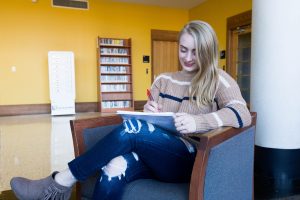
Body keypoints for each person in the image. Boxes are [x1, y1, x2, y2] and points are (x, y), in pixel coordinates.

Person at [10, 20, 251, 200]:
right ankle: (60, 185)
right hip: (151, 155)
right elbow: (152, 120)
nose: (187, 58)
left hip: (186, 159)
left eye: (196, 51)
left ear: (208, 50)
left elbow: (242, 113)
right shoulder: (163, 80)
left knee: (133, 128)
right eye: (183, 49)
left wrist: (200, 122)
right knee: (114, 166)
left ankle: (60, 182)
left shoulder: (218, 79)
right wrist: (149, 110)